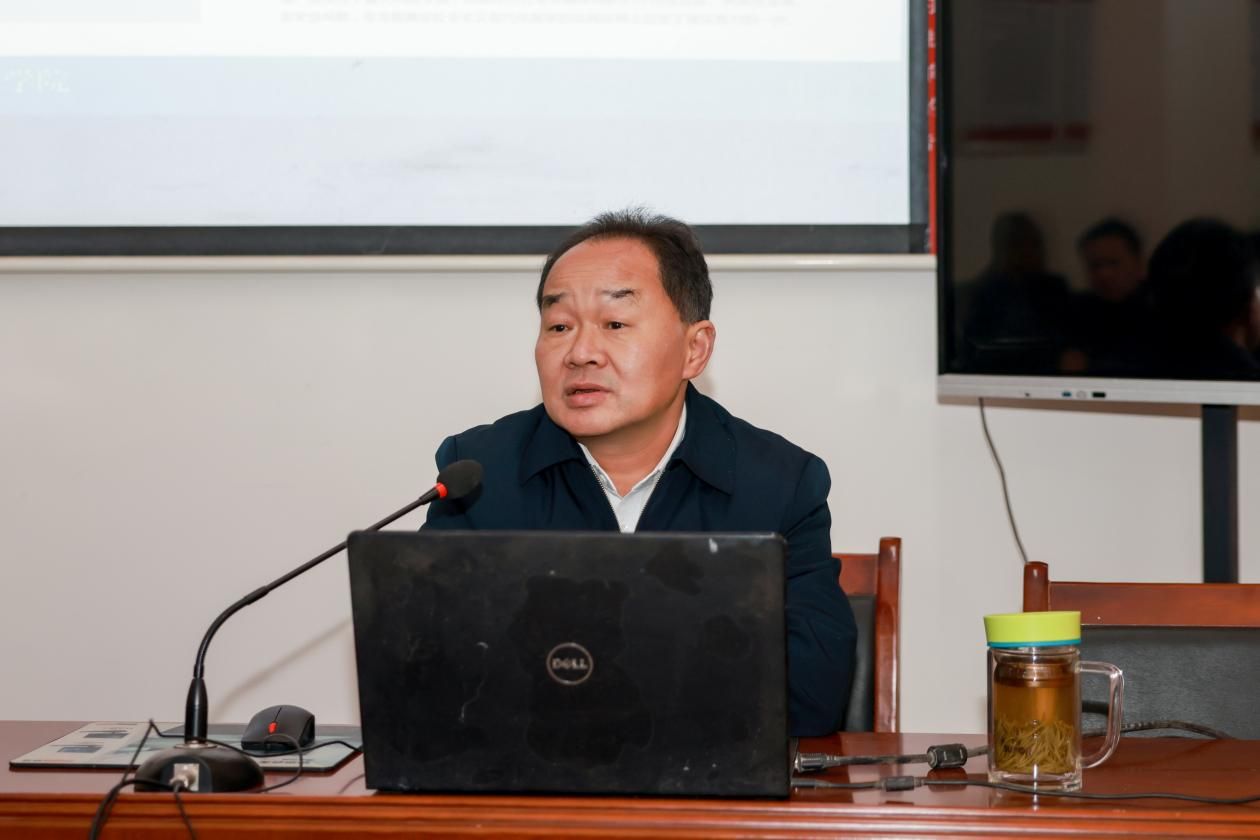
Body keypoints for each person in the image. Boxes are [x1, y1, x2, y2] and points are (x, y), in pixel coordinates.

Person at [424, 208, 858, 736]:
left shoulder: (778, 484)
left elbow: (812, 696)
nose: (581, 353)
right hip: (531, 782)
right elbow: (429, 675)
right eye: (559, 326)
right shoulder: (479, 473)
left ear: (694, 349)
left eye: (615, 324)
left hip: (707, 785)